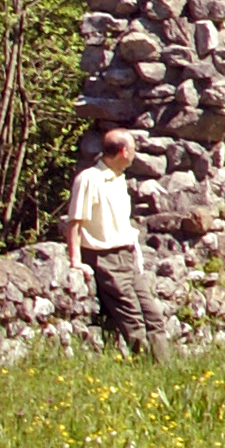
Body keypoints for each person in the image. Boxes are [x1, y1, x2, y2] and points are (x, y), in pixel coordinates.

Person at [68, 123, 169, 356]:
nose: (134, 154)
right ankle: (144, 367)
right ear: (124, 151)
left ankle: (165, 368)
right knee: (133, 320)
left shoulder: (118, 179)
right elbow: (75, 222)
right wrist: (76, 260)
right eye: (132, 149)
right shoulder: (90, 179)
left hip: (126, 256)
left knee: (152, 313)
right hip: (105, 258)